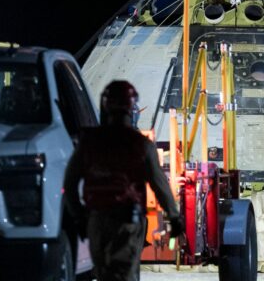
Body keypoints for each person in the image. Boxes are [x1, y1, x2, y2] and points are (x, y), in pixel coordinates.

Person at [64, 80, 183, 281]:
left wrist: (79, 217)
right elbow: (159, 184)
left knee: (103, 274)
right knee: (125, 275)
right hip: (127, 222)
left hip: (97, 220)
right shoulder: (141, 144)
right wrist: (174, 217)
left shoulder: (89, 141)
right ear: (132, 108)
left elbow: (69, 183)